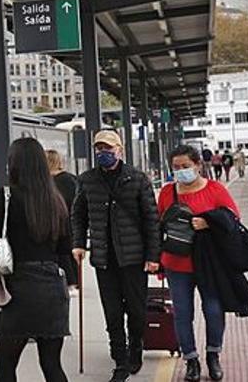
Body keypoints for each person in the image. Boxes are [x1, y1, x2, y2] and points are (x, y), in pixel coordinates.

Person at [71, 130, 160, 382]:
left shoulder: (137, 179)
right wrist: (78, 243)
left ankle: (136, 348)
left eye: (108, 148)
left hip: (134, 258)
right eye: (99, 148)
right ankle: (120, 360)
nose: (103, 153)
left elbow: (151, 220)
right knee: (111, 311)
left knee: (136, 310)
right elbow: (78, 215)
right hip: (103, 258)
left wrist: (153, 256)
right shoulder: (87, 180)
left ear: (119, 150)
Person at [0, 137, 73, 382]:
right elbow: (65, 248)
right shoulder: (56, 200)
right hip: (52, 288)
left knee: (5, 365)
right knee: (51, 364)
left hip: (20, 288)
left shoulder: (6, 197)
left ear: (14, 164)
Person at [159, 145, 240, 381]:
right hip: (176, 263)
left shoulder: (215, 190)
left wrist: (208, 223)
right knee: (182, 313)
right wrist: (155, 261)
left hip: (209, 264)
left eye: (186, 166)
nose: (181, 171)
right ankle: (191, 359)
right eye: (176, 167)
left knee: (214, 311)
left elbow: (233, 219)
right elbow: (157, 225)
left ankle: (213, 355)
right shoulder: (166, 193)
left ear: (198, 165)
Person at [46, 149, 80, 291]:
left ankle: (70, 281)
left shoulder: (48, 182)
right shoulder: (71, 178)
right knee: (70, 250)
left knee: (62, 252)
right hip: (72, 220)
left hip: (56, 221)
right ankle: (75, 280)